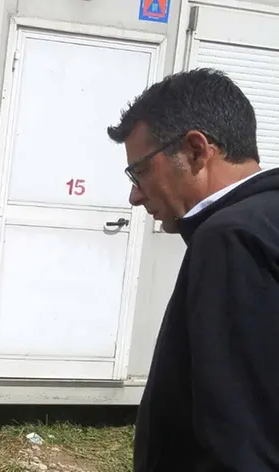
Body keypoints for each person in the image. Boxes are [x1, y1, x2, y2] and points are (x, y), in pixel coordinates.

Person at [106, 67, 279, 471]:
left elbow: (240, 435)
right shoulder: (267, 220)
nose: (134, 195)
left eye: (142, 170)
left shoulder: (231, 238)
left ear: (197, 151)